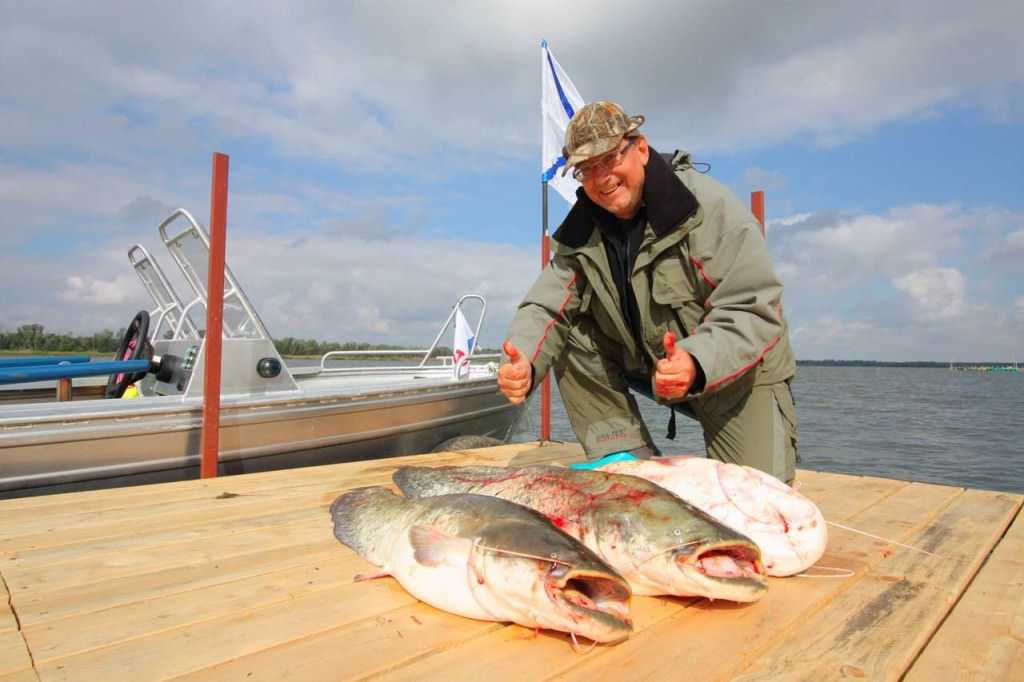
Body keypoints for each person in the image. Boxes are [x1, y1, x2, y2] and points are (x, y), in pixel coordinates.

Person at [498, 100, 799, 482]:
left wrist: (694, 361)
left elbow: (753, 308)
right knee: (566, 329)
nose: (602, 177)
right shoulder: (580, 231)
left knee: (759, 501)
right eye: (587, 169)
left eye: (609, 158)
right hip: (651, 366)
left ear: (640, 148)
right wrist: (522, 360)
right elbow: (545, 307)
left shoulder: (710, 209)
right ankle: (625, 458)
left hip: (736, 376)